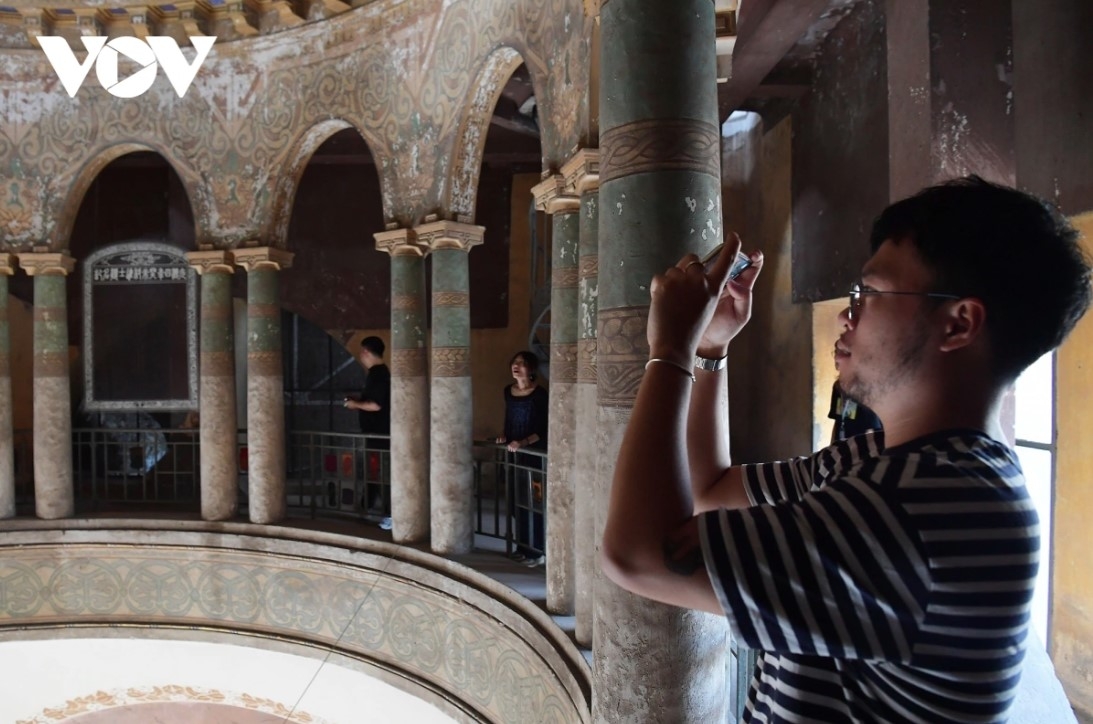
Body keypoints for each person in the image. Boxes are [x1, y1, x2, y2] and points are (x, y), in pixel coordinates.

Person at [601, 176, 1092, 723]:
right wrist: (710, 351)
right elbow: (709, 489)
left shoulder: (922, 506)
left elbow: (640, 555)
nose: (846, 316)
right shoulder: (889, 464)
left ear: (958, 323)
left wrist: (669, 348)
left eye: (871, 294)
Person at [496, 350, 549, 567]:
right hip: (514, 453)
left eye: (522, 363)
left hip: (533, 455)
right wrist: (505, 436)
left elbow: (543, 428)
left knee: (533, 503)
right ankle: (522, 547)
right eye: (514, 362)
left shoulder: (540, 394)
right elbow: (509, 419)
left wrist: (524, 443)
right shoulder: (508, 391)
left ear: (532, 369)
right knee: (515, 503)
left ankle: (537, 552)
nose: (516, 366)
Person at [344, 336, 391, 530]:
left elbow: (376, 405)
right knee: (375, 473)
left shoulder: (378, 374)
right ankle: (367, 506)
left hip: (379, 434)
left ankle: (392, 514)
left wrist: (354, 404)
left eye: (361, 353)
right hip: (376, 434)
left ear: (365, 352)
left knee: (382, 475)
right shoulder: (377, 373)